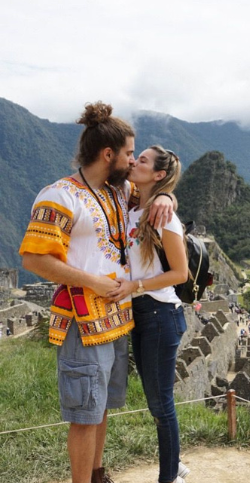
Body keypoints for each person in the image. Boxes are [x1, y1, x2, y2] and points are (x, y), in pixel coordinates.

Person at [19, 102, 173, 483]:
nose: (133, 160)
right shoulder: (59, 196)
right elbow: (34, 259)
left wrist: (168, 198)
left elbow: (159, 192)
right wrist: (91, 281)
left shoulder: (117, 193)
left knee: (101, 406)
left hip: (116, 319)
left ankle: (98, 472)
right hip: (82, 321)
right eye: (128, 153)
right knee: (84, 415)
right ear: (109, 155)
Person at [107, 145, 189, 483]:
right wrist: (166, 195)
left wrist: (134, 286)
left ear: (158, 174)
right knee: (156, 400)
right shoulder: (134, 206)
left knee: (160, 403)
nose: (132, 161)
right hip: (142, 313)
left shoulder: (162, 215)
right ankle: (176, 465)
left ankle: (170, 477)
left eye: (141, 160)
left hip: (159, 313)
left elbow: (180, 273)